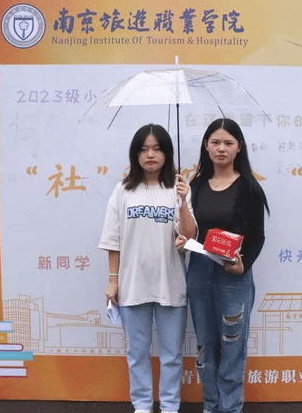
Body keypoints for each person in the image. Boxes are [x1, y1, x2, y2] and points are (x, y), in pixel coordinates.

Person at [99, 124, 197, 413]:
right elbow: (113, 240)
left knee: (171, 355)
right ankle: (142, 405)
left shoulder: (178, 188)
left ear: (167, 153)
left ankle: (169, 406)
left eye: (156, 148)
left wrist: (183, 201)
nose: (150, 155)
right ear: (135, 154)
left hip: (171, 282)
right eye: (143, 149)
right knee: (137, 352)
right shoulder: (123, 191)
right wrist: (113, 280)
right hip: (133, 283)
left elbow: (189, 235)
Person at [176, 118, 269, 413]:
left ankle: (229, 408)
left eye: (228, 143)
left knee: (232, 345)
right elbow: (190, 232)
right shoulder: (195, 186)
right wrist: (182, 207)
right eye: (215, 142)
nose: (221, 148)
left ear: (239, 147)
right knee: (205, 345)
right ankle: (211, 406)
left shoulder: (249, 188)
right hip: (200, 272)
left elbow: (258, 237)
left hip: (233, 276)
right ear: (206, 146)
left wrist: (243, 266)